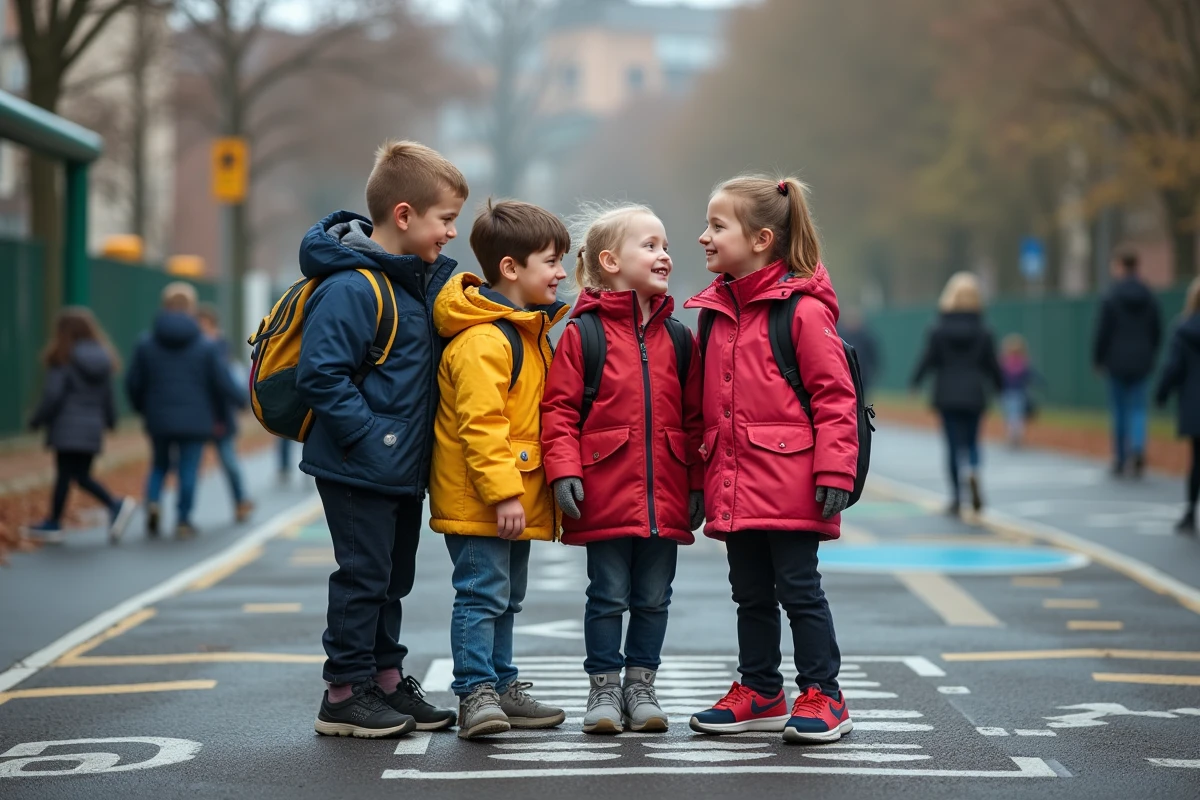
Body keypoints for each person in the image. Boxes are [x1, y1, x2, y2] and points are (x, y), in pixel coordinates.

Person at [297, 140, 465, 739]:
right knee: (361, 576)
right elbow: (320, 374)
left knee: (392, 578)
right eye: (445, 220)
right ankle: (344, 693)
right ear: (403, 215)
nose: (450, 233)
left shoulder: (413, 284)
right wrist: (372, 438)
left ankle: (386, 680)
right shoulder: (354, 287)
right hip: (357, 464)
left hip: (396, 466)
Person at [683, 175, 859, 744]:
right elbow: (700, 409)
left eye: (716, 226)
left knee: (799, 588)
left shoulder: (801, 312)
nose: (703, 237)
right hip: (734, 481)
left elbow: (836, 397)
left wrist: (835, 469)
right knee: (749, 591)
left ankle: (825, 695)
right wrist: (695, 477)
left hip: (793, 481)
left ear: (761, 239)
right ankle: (760, 689)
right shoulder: (714, 314)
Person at [541, 203, 704, 735]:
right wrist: (564, 471)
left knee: (655, 597)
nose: (665, 255)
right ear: (610, 261)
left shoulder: (680, 339)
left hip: (667, 493)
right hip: (604, 491)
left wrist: (697, 483)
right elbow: (559, 411)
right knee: (607, 595)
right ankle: (604, 689)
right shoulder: (582, 334)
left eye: (664, 245)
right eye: (650, 246)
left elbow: (696, 419)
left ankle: (641, 686)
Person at [429, 199, 571, 739]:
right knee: (481, 593)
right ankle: (475, 693)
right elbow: (481, 426)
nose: (561, 272)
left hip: (512, 496)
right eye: (551, 261)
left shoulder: (527, 331)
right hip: (485, 500)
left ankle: (502, 684)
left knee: (505, 596)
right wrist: (505, 494)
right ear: (510, 269)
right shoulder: (485, 339)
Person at [126, 282, 242, 539]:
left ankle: (154, 502)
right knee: (188, 468)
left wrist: (142, 408)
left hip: (158, 417)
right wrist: (243, 400)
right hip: (196, 418)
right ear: (191, 308)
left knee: (159, 464)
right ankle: (183, 519)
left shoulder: (146, 343)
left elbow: (134, 382)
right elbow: (221, 381)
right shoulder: (205, 345)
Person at [25, 308, 136, 545]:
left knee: (69, 474)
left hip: (67, 426)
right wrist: (110, 421)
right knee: (77, 475)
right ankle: (58, 520)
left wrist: (37, 420)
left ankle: (111, 504)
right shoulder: (103, 359)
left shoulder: (63, 358)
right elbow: (108, 397)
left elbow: (52, 395)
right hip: (91, 427)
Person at [910, 272, 1003, 515]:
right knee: (972, 441)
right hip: (974, 392)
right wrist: (1000, 387)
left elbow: (928, 359)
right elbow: (991, 364)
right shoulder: (984, 331)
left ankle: (955, 497)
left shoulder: (938, 329)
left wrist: (915, 381)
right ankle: (973, 468)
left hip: (947, 393)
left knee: (952, 445)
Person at [1093, 250, 1162, 478]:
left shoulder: (1111, 296)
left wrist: (1098, 358)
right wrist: (1150, 352)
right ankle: (1139, 449)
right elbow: (1156, 330)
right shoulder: (1149, 295)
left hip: (1116, 360)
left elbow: (1103, 331)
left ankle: (1121, 458)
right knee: (1139, 409)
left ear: (1121, 266)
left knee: (1120, 410)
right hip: (1142, 360)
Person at [196, 304, 253, 523]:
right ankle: (182, 513)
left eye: (204, 325)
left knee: (228, 460)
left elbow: (224, 381)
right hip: (201, 414)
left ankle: (240, 501)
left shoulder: (218, 347)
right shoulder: (203, 346)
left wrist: (240, 401)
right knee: (192, 465)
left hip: (218, 414)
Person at [1155, 276, 1200, 535]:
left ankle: (1190, 512)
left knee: (1197, 460)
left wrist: (1162, 394)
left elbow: (1173, 367)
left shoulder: (1183, 329)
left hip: (1194, 404)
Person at [999, 333, 1041, 448]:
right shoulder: (1018, 363)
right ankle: (1015, 436)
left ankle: (1014, 436)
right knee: (1015, 415)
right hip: (1013, 392)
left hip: (1012, 393)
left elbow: (1030, 375)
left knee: (1013, 415)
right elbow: (1031, 375)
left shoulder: (1007, 363)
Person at [840, 308, 881, 398]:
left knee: (862, 399)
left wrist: (873, 369)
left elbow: (873, 355)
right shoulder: (840, 335)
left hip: (863, 374)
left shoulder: (866, 337)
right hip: (845, 374)